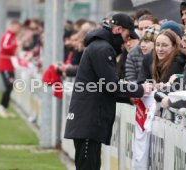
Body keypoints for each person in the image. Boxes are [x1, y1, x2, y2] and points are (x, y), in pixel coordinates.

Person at [64, 13, 153, 170]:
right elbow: (111, 85)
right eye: (127, 34)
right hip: (89, 121)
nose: (127, 39)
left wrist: (129, 97)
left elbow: (104, 87)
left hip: (88, 120)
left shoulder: (99, 46)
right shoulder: (102, 48)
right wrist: (140, 90)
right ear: (118, 29)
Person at [0, 19, 22, 118]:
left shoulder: (12, 36)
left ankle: (4, 107)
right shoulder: (8, 35)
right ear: (13, 26)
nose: (19, 30)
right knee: (9, 85)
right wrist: (15, 45)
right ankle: (2, 107)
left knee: (10, 85)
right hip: (5, 65)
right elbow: (4, 47)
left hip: (9, 64)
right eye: (18, 27)